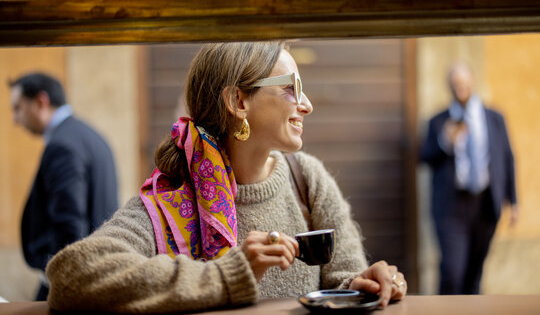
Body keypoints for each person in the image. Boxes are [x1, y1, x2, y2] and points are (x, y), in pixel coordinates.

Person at [45, 42, 407, 313]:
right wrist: (228, 275)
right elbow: (71, 277)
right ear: (238, 101)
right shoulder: (173, 198)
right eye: (291, 87)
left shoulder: (308, 178)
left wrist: (368, 283)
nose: (306, 104)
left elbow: (345, 280)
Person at [8, 72, 119, 301]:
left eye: (18, 108)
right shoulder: (91, 137)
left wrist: (63, 281)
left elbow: (68, 223)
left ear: (41, 102)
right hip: (98, 270)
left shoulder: (62, 146)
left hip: (74, 279)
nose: (15, 119)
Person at [420, 62, 518, 294]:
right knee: (453, 273)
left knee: (474, 275)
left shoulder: (494, 117)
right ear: (450, 87)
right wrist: (446, 142)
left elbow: (507, 158)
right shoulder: (438, 121)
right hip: (451, 207)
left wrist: (512, 201)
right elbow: (424, 156)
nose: (460, 88)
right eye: (455, 84)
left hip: (485, 204)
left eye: (464, 83)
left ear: (472, 82)